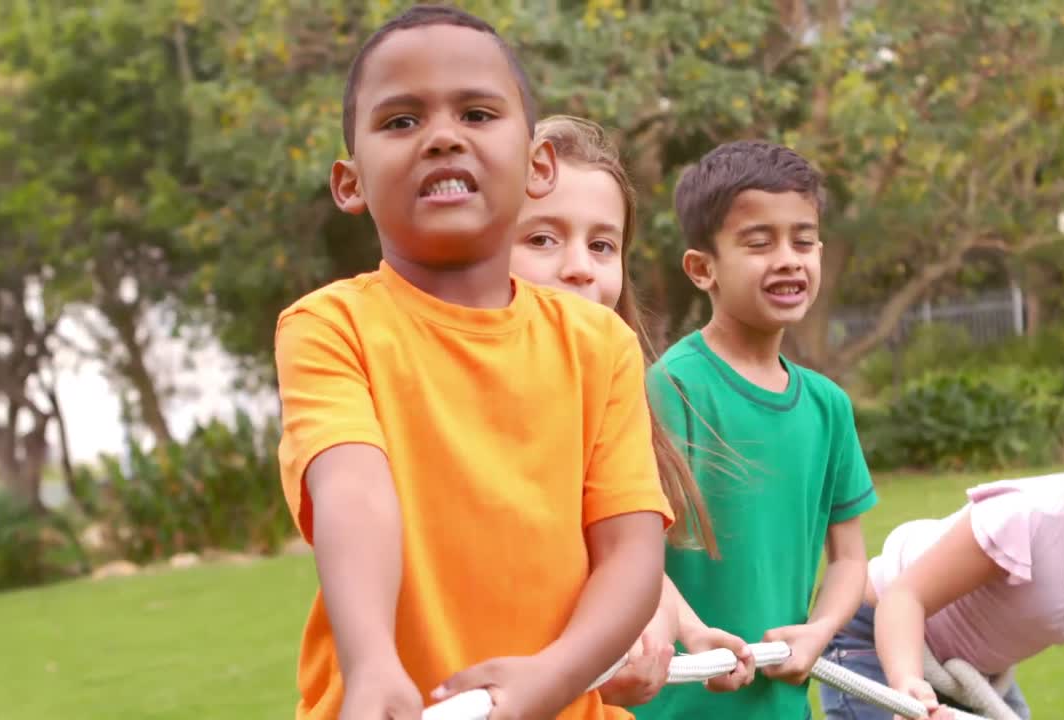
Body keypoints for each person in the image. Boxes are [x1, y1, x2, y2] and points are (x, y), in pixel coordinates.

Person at [273, 7, 673, 720]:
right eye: (400, 122)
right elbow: (353, 496)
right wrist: (371, 665)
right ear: (350, 183)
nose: (443, 138)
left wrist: (554, 678)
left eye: (478, 113)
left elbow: (631, 553)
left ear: (537, 165)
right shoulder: (330, 327)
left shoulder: (598, 345)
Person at [821, 347, 1064, 720]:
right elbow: (904, 596)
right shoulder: (1028, 519)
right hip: (875, 635)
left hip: (972, 672)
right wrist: (907, 686)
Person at [636, 140, 880, 720]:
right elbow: (628, 557)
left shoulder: (828, 407)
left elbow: (849, 559)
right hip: (673, 708)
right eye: (758, 242)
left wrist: (820, 629)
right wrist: (692, 634)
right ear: (702, 269)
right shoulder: (669, 392)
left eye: (803, 240)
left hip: (779, 706)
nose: (789, 259)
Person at [509, 114, 722, 708]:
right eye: (542, 239)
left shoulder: (612, 394)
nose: (581, 265)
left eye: (602, 245)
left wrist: (681, 623)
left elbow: (624, 550)